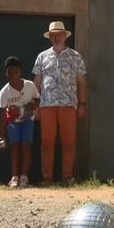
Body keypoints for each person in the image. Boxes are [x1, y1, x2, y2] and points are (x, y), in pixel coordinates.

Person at [33, 21, 87, 187]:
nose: (57, 37)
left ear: (65, 36)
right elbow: (37, 81)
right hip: (47, 104)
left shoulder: (75, 56)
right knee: (47, 142)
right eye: (53, 35)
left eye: (59, 34)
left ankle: (67, 177)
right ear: (50, 38)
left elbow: (82, 82)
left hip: (68, 104)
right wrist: (35, 104)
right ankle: (47, 178)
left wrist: (83, 104)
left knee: (69, 141)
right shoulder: (42, 57)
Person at [0, 56, 39, 188]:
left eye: (15, 72)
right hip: (13, 122)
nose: (12, 75)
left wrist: (33, 105)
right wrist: (2, 135)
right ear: (6, 74)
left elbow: (37, 99)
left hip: (28, 119)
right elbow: (3, 114)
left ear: (20, 72)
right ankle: (14, 176)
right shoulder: (4, 92)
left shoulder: (29, 86)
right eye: (9, 72)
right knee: (15, 146)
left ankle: (24, 177)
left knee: (26, 145)